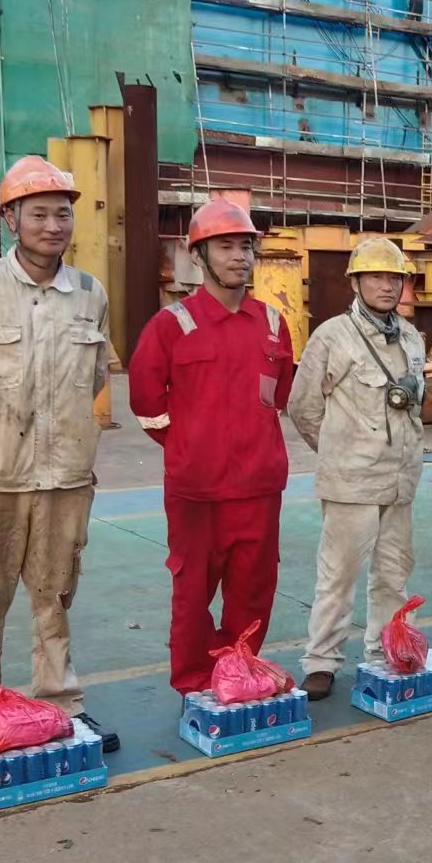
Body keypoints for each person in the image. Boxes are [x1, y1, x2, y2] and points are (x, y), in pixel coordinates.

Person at [0, 155, 118, 781]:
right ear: (10, 218)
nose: (53, 225)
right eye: (38, 214)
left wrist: (66, 445)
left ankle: (60, 705)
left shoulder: (90, 293)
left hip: (65, 478)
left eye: (62, 214)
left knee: (54, 597)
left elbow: (93, 379)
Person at [128, 199, 293, 698]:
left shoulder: (272, 323)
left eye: (246, 246)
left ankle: (239, 670)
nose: (240, 256)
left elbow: (279, 396)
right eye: (225, 247)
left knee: (254, 589)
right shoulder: (171, 325)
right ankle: (196, 681)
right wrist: (190, 445)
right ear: (198, 256)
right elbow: (146, 402)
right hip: (197, 492)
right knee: (192, 589)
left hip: (259, 487)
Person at [287, 238, 424, 698]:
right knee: (338, 577)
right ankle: (321, 661)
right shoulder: (333, 336)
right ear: (356, 282)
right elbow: (303, 406)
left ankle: (387, 652)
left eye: (394, 278)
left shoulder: (411, 338)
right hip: (351, 483)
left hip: (400, 480)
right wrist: (338, 449)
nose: (387, 286)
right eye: (377, 277)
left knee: (394, 575)